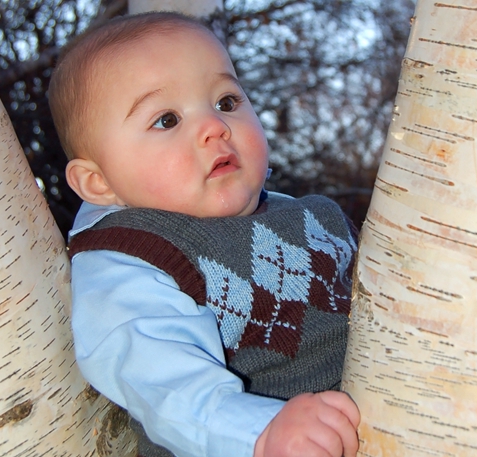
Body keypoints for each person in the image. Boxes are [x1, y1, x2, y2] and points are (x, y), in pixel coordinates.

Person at [48, 11, 360, 457]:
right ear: (100, 182)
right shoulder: (129, 259)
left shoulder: (308, 218)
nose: (216, 126)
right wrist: (257, 432)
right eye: (167, 120)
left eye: (227, 101)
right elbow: (163, 381)